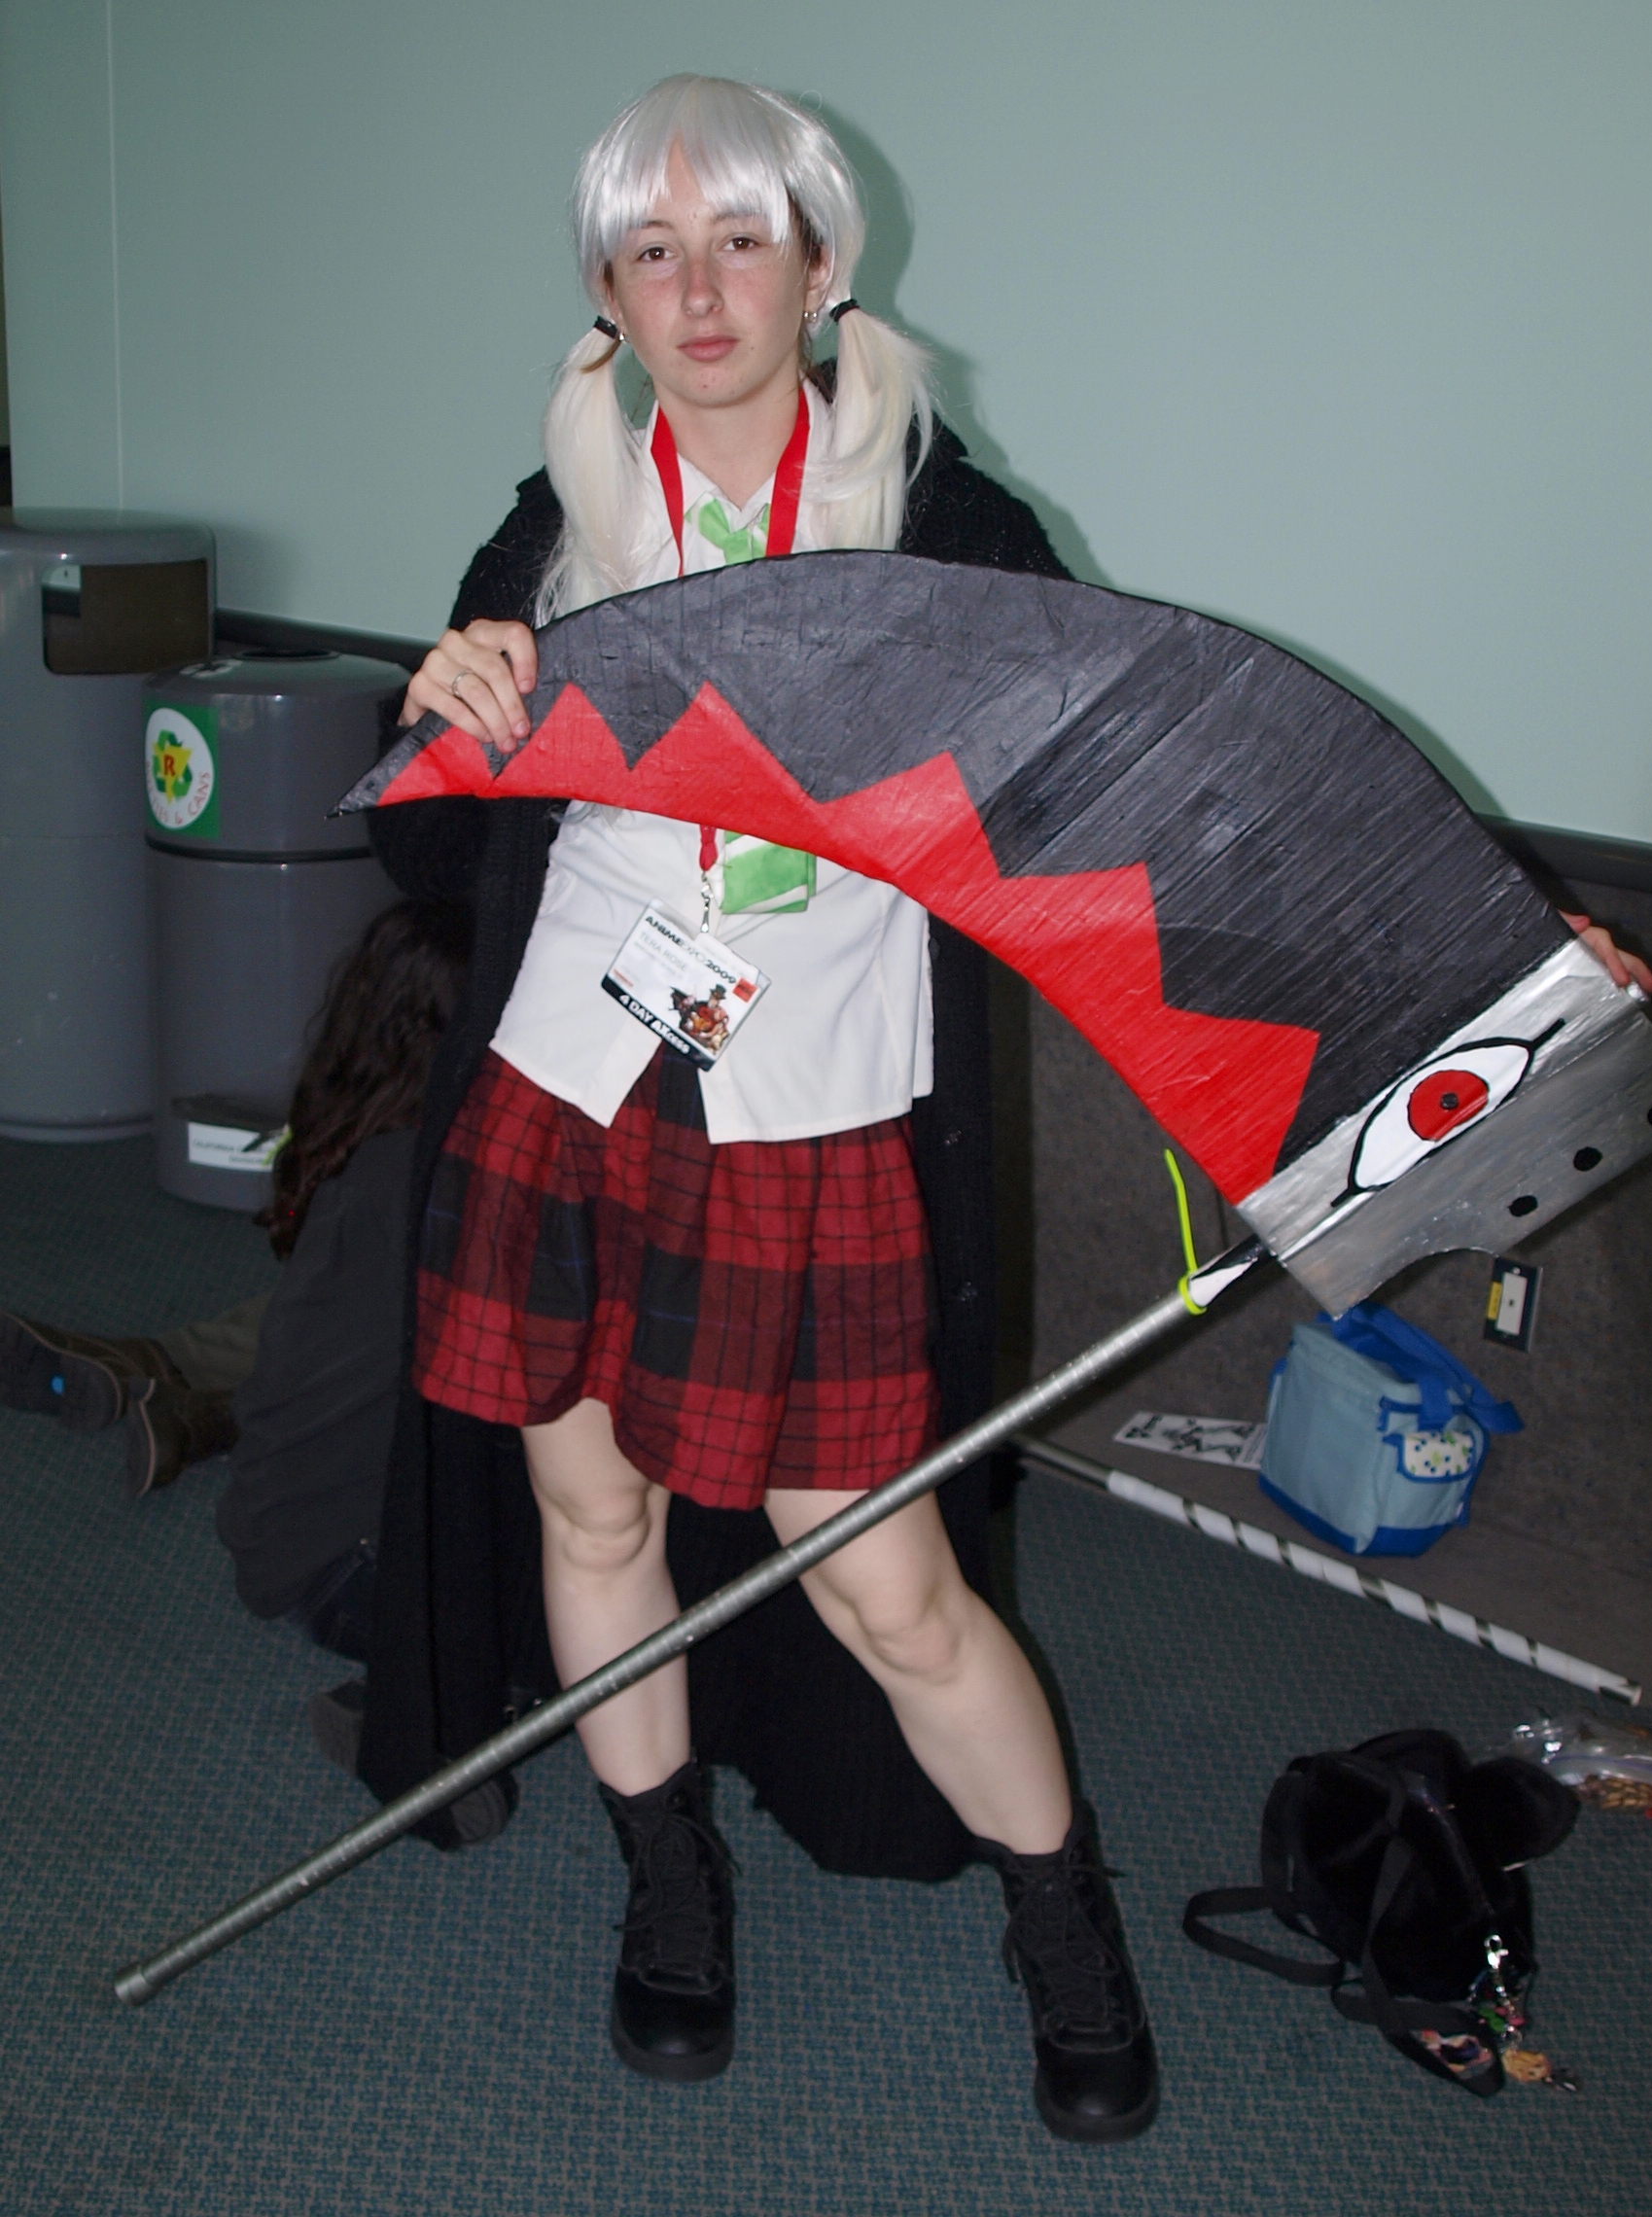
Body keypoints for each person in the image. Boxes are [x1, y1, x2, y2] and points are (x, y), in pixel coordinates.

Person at [362, 75, 1158, 2142]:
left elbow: (1128, 803)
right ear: (607, 296)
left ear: (822, 267)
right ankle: (667, 1888)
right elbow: (430, 851)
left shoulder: (941, 519)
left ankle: (1066, 1931)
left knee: (886, 1584)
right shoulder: (561, 515)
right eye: (653, 252)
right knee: (594, 1513)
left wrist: (1472, 955)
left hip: (809, 1115)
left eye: (741, 242)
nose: (700, 292)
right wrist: (437, 718)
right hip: (569, 1081)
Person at [0, 899, 471, 1676]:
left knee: (333, 1324)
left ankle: (172, 1387)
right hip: (338, 1544)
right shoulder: (424, 1176)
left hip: (289, 1499)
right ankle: (188, 1399)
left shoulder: (368, 1142)